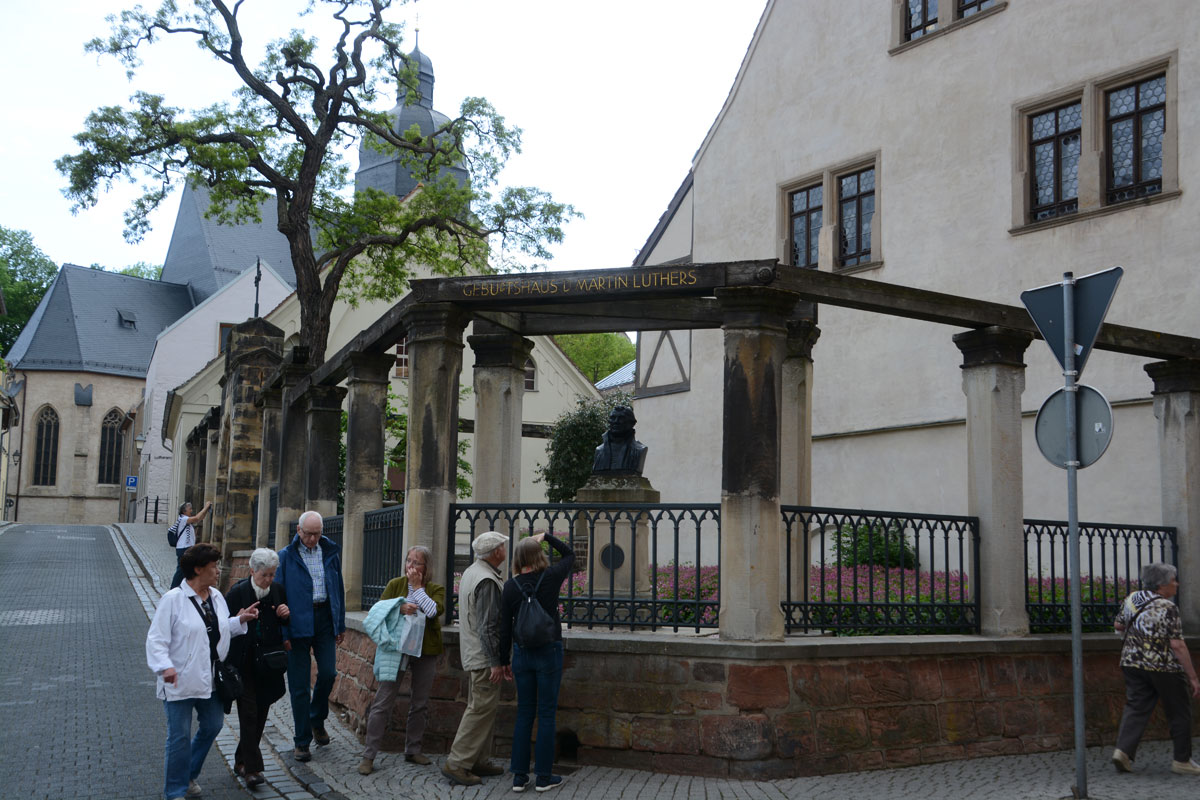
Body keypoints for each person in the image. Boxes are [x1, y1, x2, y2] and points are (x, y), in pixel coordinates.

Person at [146, 543, 259, 800]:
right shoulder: (173, 600)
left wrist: (239, 621)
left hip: (211, 679)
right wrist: (165, 666)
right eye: (213, 567)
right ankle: (175, 791)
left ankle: (187, 775)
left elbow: (216, 631)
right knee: (179, 738)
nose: (218, 571)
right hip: (180, 680)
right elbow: (156, 640)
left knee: (213, 725)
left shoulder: (217, 597)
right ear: (197, 569)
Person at [498, 532, 575, 793]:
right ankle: (543, 777)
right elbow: (570, 555)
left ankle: (519, 776)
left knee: (524, 714)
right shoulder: (551, 578)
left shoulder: (510, 586)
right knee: (546, 714)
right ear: (539, 555)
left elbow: (504, 628)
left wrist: (502, 660)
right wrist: (547, 536)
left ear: (518, 559)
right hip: (548, 650)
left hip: (521, 654)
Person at [358, 545, 444, 775]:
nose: (411, 566)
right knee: (383, 700)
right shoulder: (395, 585)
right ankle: (369, 755)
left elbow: (434, 612)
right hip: (396, 650)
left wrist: (417, 589)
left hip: (425, 650)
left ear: (427, 568)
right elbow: (379, 611)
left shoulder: (435, 589)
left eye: (417, 563)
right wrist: (399, 608)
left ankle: (413, 749)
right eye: (409, 561)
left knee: (420, 702)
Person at [1111, 562, 1200, 775]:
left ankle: (1122, 752)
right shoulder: (1168, 608)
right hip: (1162, 666)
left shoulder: (1133, 598)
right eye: (1173, 580)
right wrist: (1193, 677)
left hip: (1131, 662)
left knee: (1136, 706)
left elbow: (1118, 625)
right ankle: (1182, 761)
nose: (1176, 584)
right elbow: (1177, 645)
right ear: (1161, 585)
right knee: (1179, 711)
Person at [442, 531, 510, 787]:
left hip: (475, 653)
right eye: (503, 546)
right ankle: (458, 763)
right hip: (483, 657)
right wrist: (495, 661)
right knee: (480, 709)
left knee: (482, 708)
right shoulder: (487, 580)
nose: (505, 549)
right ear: (495, 553)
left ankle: (477, 759)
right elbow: (488, 626)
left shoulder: (473, 571)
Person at [277, 510, 345, 763]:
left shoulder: (329, 552)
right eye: (308, 534)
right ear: (298, 530)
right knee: (299, 686)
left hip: (325, 619)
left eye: (317, 534)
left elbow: (338, 588)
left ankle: (317, 718)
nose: (313, 539)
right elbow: (278, 596)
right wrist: (283, 631)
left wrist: (339, 624)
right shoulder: (285, 557)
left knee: (328, 673)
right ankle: (302, 740)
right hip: (296, 622)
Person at [226, 548, 291, 789]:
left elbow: (284, 622)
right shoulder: (237, 593)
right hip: (244, 664)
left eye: (273, 574)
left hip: (268, 665)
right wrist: (240, 618)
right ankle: (252, 769)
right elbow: (224, 627)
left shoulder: (277, 591)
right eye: (265, 575)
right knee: (249, 714)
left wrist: (285, 615)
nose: (269, 580)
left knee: (261, 713)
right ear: (253, 571)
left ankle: (241, 759)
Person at [170, 501, 213, 589]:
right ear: (184, 511)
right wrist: (206, 506)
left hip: (186, 548)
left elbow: (200, 518)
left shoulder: (186, 519)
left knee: (187, 569)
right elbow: (197, 518)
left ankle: (184, 587)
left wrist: (206, 510)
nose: (191, 510)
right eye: (190, 509)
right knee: (181, 570)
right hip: (183, 548)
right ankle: (173, 588)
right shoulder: (183, 519)